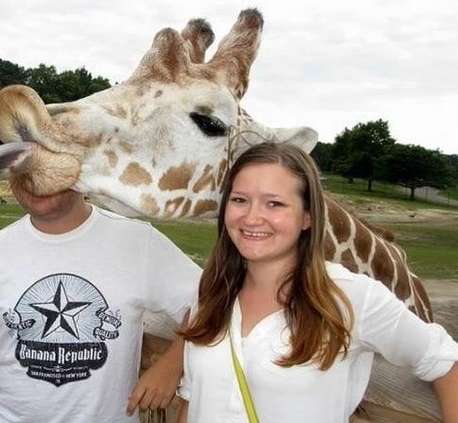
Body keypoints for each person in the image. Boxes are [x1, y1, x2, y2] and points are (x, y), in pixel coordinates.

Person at [177, 142, 458, 423]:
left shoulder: (352, 297)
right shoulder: (212, 291)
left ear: (307, 217)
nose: (251, 217)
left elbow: (445, 363)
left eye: (274, 203)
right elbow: (194, 398)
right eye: (240, 200)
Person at [0, 176, 200, 423]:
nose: (35, 179)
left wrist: (173, 364)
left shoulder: (138, 242)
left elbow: (212, 298)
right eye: (23, 168)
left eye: (49, 167)